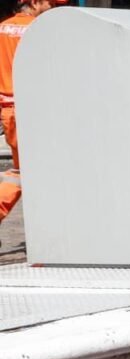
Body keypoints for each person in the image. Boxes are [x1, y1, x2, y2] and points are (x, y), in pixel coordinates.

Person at [0, 0, 67, 239]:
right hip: (33, 111)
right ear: (33, 2)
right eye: (50, 3)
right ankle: (52, 238)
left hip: (10, 112)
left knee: (22, 172)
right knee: (38, 173)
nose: (53, 7)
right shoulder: (37, 32)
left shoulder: (3, 28)